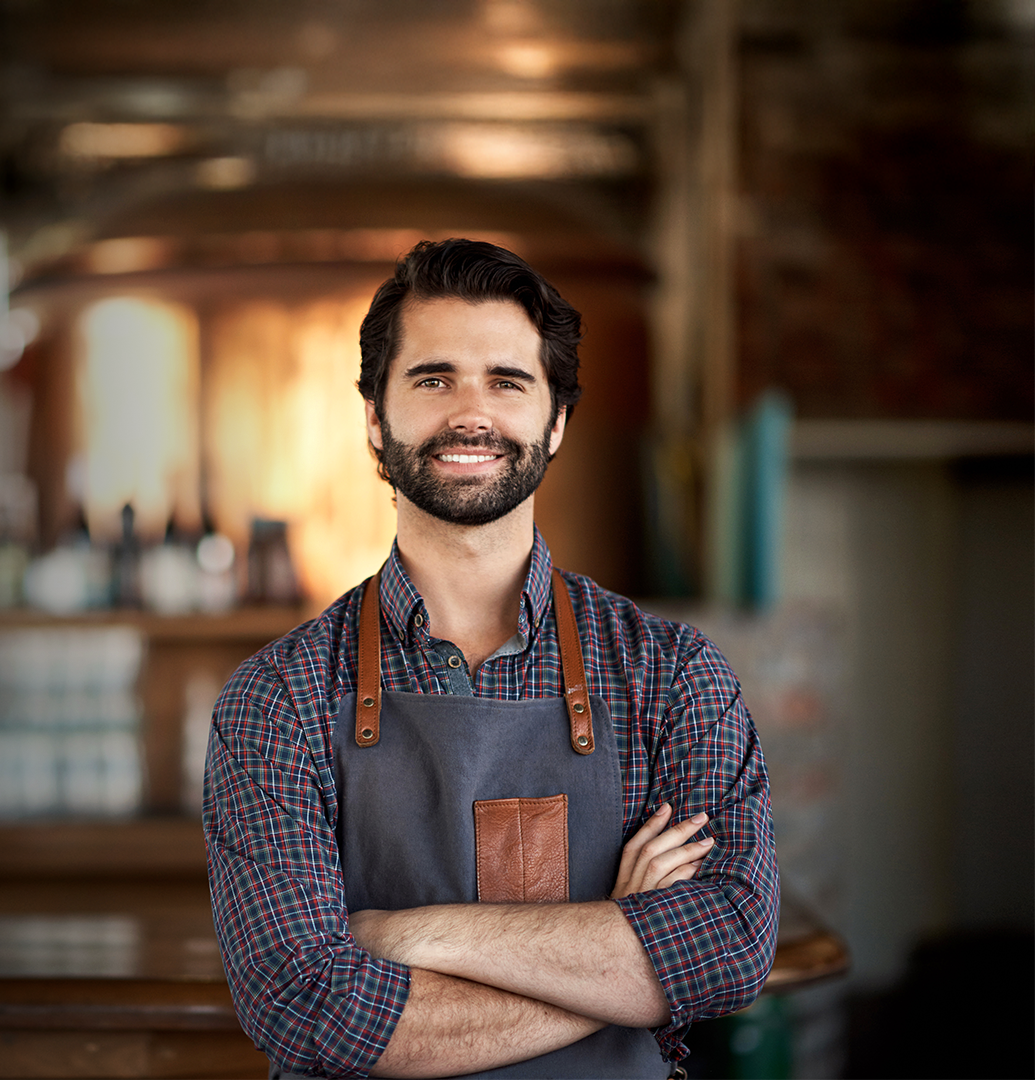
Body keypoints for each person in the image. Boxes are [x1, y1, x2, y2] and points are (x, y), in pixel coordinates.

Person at [203, 239, 778, 1079]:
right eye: (433, 378)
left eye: (507, 382)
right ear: (375, 415)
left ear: (555, 420)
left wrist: (405, 935)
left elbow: (725, 945)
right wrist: (618, 951)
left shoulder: (672, 673)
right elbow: (308, 1004)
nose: (470, 415)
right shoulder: (277, 697)